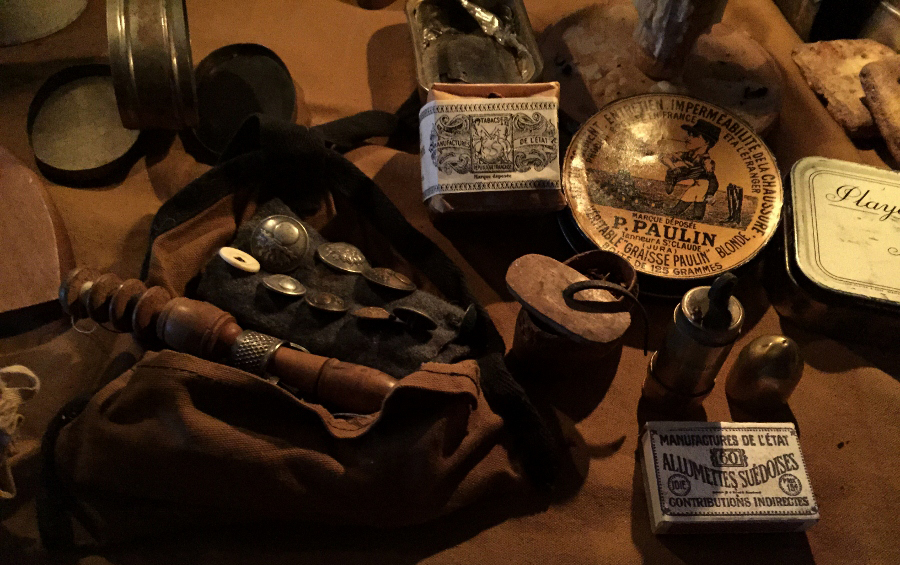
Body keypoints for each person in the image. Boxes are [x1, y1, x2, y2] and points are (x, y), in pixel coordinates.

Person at [660, 119, 721, 221]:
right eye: (689, 134)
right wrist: (673, 167)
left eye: (694, 135)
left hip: (704, 186)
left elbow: (713, 179)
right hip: (697, 184)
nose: (687, 138)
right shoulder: (687, 155)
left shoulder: (706, 161)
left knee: (696, 198)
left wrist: (710, 193)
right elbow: (664, 157)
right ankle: (683, 213)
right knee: (690, 196)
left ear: (707, 141)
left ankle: (695, 216)